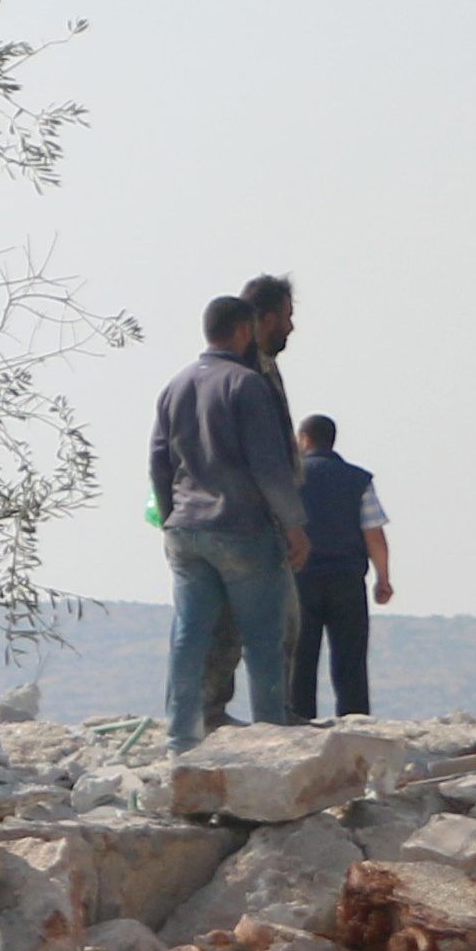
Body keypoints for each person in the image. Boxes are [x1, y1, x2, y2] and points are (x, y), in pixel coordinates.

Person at [152, 293, 305, 745]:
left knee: (189, 637)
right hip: (241, 529)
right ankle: (272, 740)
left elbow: (159, 462)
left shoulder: (175, 385)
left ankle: (182, 739)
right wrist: (294, 524)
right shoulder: (246, 385)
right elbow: (268, 466)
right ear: (243, 331)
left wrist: (170, 516)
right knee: (264, 640)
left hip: (186, 530)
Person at [199, 274, 304, 729]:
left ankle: (275, 714)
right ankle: (214, 715)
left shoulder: (261, 368)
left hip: (256, 517)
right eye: (285, 317)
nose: (290, 328)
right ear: (261, 320)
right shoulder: (238, 375)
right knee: (230, 624)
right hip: (239, 518)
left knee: (283, 622)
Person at [285, 410, 388, 719]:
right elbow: (374, 534)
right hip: (346, 578)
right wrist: (384, 578)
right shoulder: (358, 480)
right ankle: (355, 721)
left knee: (300, 659)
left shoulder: (289, 479)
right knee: (350, 660)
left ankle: (300, 720)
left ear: (304, 439)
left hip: (300, 578)